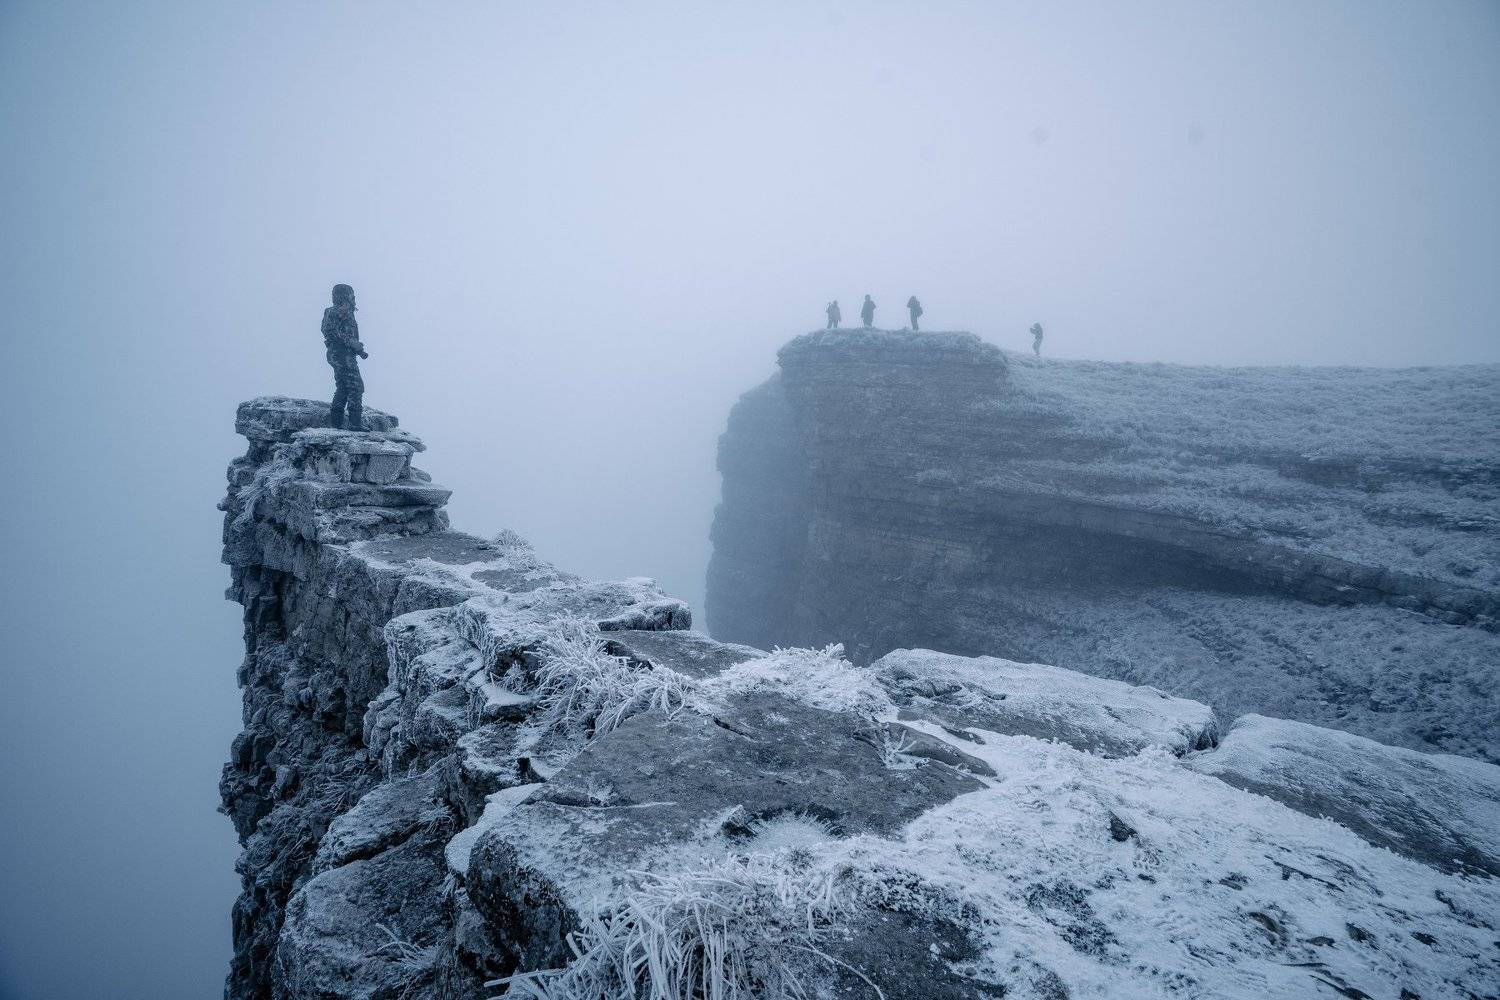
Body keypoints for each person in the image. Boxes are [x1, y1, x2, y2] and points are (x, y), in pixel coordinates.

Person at [322, 283, 368, 430]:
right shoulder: (337, 311)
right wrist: (352, 343)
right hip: (342, 354)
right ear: (344, 296)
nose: (354, 298)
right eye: (351, 295)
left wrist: (356, 346)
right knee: (356, 387)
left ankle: (336, 423)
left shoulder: (344, 312)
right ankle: (355, 424)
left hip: (341, 354)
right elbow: (330, 331)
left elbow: (336, 332)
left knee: (343, 387)